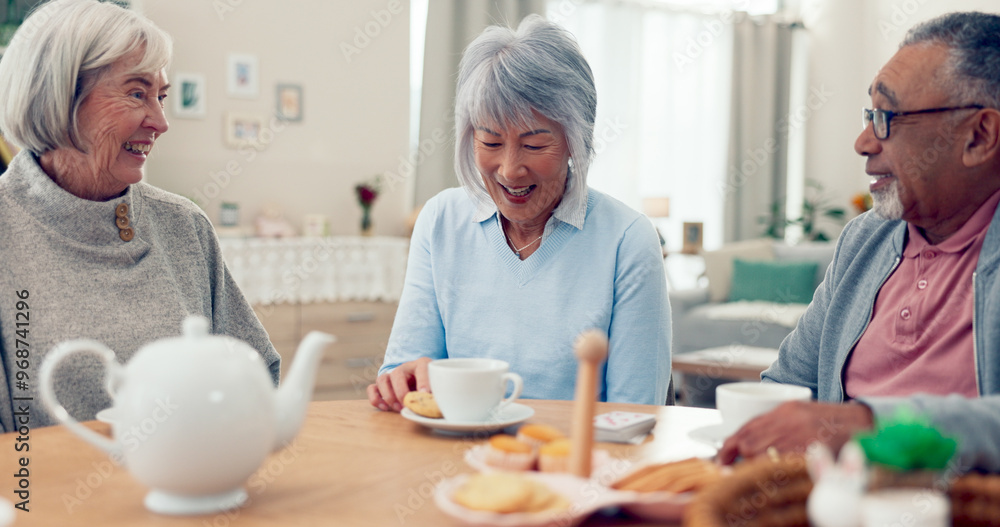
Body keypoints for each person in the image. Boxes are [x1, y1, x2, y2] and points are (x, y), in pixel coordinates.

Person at [719, 11, 1000, 473]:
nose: (864, 142)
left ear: (978, 136)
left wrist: (864, 425)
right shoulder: (866, 239)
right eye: (869, 115)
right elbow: (789, 383)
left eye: (887, 117)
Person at [0, 0, 279, 432]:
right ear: (57, 97)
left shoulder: (183, 227)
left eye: (161, 96)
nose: (161, 121)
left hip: (188, 486)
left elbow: (257, 375)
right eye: (137, 93)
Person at [367, 15, 670, 412]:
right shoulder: (440, 221)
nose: (509, 170)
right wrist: (404, 379)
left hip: (574, 466)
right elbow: (406, 377)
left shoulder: (627, 239)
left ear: (575, 141)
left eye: (534, 145)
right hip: (454, 464)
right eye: (490, 141)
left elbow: (636, 417)